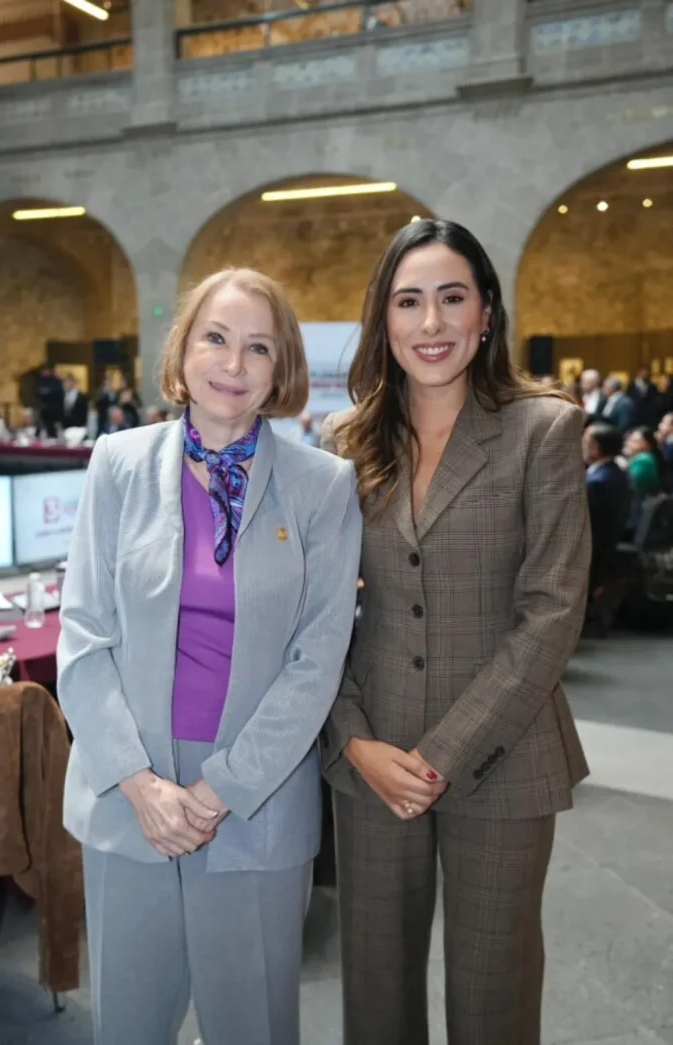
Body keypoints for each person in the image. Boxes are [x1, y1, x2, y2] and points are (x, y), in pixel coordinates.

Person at [57, 267, 362, 1045]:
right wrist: (140, 784)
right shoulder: (117, 464)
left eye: (259, 347)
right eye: (216, 338)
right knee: (128, 1025)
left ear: (281, 367)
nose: (233, 363)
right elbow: (83, 635)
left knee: (253, 1027)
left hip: (257, 797)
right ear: (183, 348)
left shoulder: (324, 486)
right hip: (129, 795)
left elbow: (317, 657)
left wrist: (221, 787)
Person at [320, 218, 591, 1045]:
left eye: (451, 298)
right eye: (409, 301)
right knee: (375, 994)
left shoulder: (542, 429)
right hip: (373, 757)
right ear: (384, 318)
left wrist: (442, 754)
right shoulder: (346, 442)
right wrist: (355, 741)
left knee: (491, 996)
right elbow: (318, 615)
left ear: (486, 312)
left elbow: (552, 610)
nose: (431, 322)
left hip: (505, 753)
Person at [582, 424, 631, 592]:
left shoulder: (599, 482)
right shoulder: (613, 472)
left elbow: (585, 523)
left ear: (596, 448)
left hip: (591, 555)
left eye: (585, 441)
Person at [624, 425, 664, 495]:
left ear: (649, 445)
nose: (629, 444)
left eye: (636, 441)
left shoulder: (644, 460)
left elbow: (632, 483)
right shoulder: (635, 458)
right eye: (630, 440)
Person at [36, 365, 64, 438]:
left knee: (53, 428)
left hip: (54, 409)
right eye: (42, 371)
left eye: (44, 371)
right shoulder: (40, 380)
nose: (43, 373)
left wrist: (48, 391)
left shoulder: (56, 381)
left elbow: (58, 393)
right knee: (42, 426)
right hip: (43, 408)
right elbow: (37, 392)